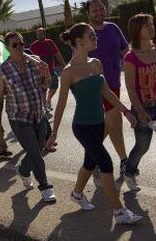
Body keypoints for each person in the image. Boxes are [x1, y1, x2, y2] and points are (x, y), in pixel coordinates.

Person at [47, 22, 142, 224]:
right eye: (92, 36)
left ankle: (77, 193)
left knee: (89, 163)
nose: (96, 38)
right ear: (79, 42)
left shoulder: (96, 63)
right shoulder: (68, 72)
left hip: (99, 123)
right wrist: (53, 133)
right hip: (82, 126)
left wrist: (125, 111)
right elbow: (61, 105)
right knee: (105, 163)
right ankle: (119, 212)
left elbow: (106, 92)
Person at [0, 32, 56, 203]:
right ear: (7, 48)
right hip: (19, 118)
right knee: (36, 152)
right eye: (14, 45)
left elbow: (45, 85)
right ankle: (44, 186)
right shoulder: (2, 71)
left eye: (21, 43)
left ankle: (23, 170)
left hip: (38, 113)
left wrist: (46, 73)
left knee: (38, 148)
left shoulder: (35, 62)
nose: (19, 47)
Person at [87, 0, 130, 183]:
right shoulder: (85, 32)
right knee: (115, 121)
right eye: (95, 10)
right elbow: (79, 58)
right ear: (88, 13)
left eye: (101, 9)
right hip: (95, 87)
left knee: (110, 123)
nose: (99, 12)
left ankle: (92, 155)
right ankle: (124, 160)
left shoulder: (113, 28)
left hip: (114, 83)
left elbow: (125, 50)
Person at [123, 14, 156, 191]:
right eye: (146, 26)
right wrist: (140, 111)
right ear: (137, 31)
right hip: (143, 108)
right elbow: (130, 88)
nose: (151, 27)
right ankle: (129, 172)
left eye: (151, 24)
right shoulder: (131, 57)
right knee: (143, 146)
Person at [30, 28, 66, 112]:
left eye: (41, 34)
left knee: (54, 86)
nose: (39, 36)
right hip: (39, 71)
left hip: (50, 69)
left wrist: (63, 64)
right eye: (38, 34)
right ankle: (44, 106)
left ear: (44, 34)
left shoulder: (50, 42)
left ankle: (48, 100)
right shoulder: (33, 45)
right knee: (43, 89)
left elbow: (57, 53)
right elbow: (30, 59)